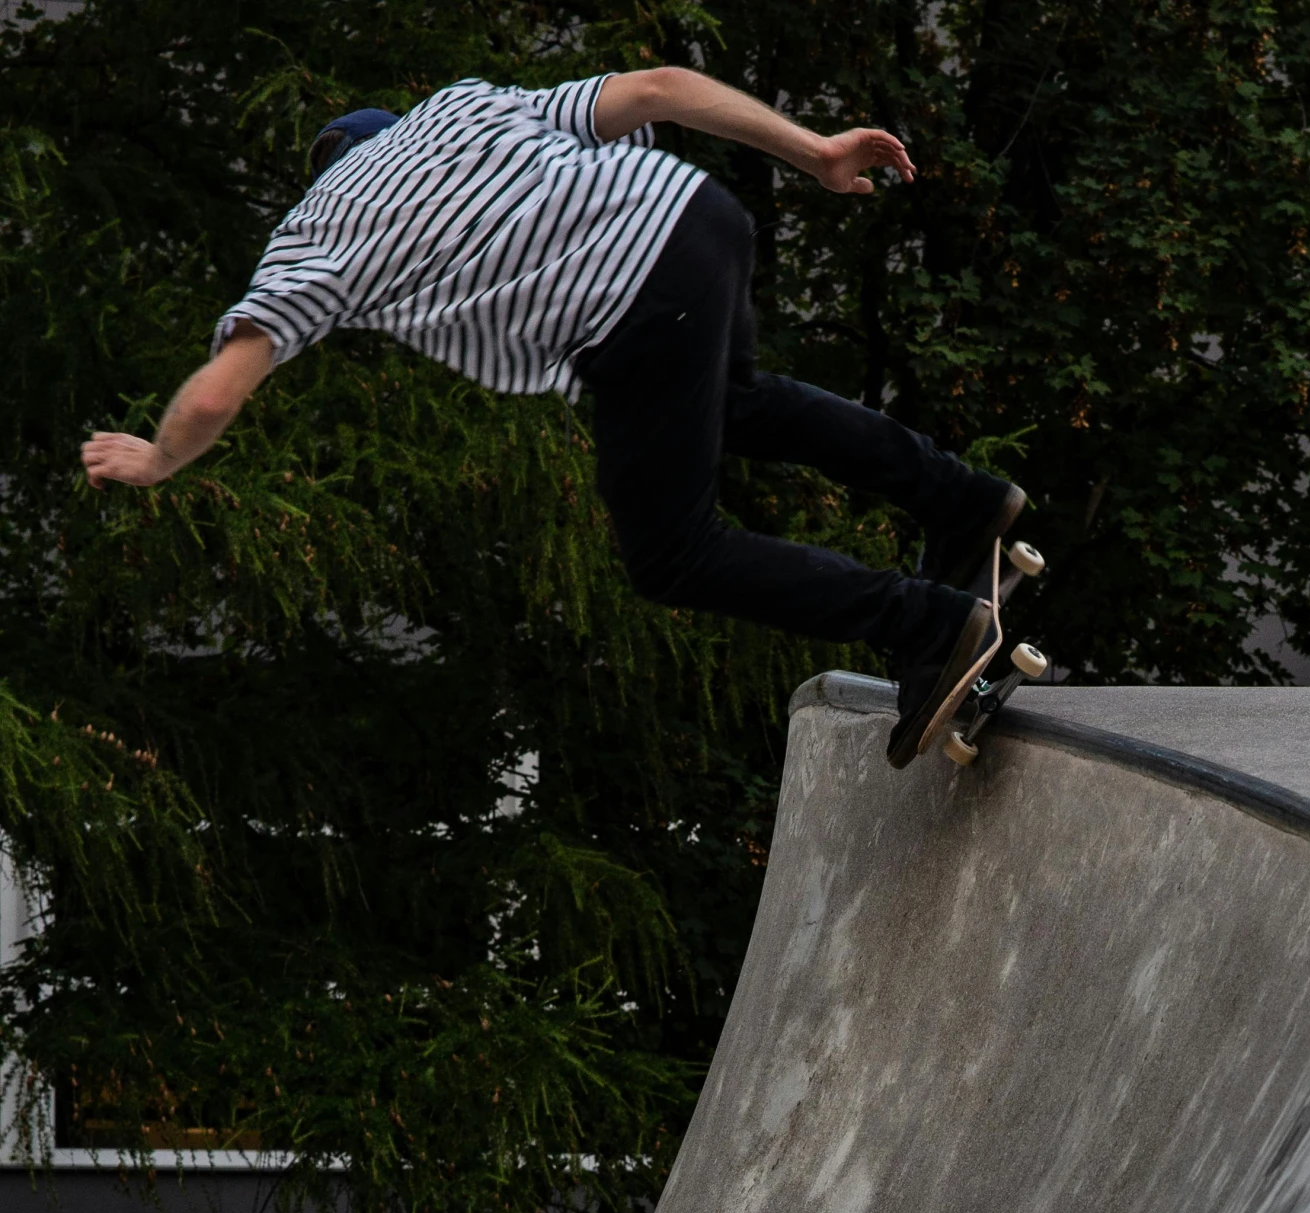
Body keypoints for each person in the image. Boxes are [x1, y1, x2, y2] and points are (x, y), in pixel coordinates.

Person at [80, 67, 1025, 768]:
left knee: (673, 552)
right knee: (736, 403)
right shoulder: (464, 106)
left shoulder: (316, 230)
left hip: (631, 311)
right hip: (698, 222)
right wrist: (814, 151)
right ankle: (962, 499)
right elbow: (658, 87)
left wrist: (160, 459)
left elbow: (213, 393)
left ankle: (927, 624)